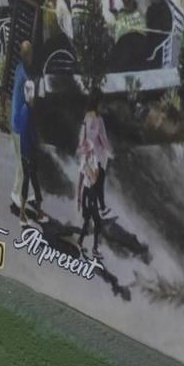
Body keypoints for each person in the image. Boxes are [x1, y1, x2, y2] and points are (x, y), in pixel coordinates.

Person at [76, 100, 113, 260]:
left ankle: (82, 242)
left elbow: (94, 176)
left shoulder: (92, 160)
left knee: (89, 223)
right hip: (88, 195)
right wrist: (79, 199)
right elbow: (87, 177)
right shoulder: (87, 161)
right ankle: (93, 248)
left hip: (89, 194)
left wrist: (92, 170)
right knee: (94, 222)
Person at [9, 57, 42, 221]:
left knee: (24, 169)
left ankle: (19, 196)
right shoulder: (25, 109)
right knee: (22, 168)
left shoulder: (20, 68)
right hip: (18, 129)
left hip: (17, 125)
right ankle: (16, 197)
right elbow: (28, 132)